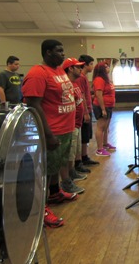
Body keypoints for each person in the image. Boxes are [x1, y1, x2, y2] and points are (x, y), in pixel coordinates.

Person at [22, 40, 78, 228]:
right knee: (45, 171)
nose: (63, 54)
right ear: (47, 53)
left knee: (57, 165)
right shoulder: (38, 73)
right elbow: (33, 105)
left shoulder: (59, 71)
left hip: (65, 129)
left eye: (63, 50)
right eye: (58, 51)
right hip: (51, 131)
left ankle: (55, 193)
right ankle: (41, 208)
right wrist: (48, 134)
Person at [61, 58, 87, 195]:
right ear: (70, 69)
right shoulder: (66, 84)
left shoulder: (75, 84)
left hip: (77, 123)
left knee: (74, 152)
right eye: (78, 67)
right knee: (68, 153)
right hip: (69, 125)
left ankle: (72, 173)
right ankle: (66, 182)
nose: (80, 69)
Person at [75, 54, 99, 169]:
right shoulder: (80, 77)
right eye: (91, 64)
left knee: (86, 135)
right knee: (82, 135)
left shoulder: (83, 77)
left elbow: (86, 92)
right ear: (85, 64)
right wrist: (85, 112)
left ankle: (84, 157)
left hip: (88, 108)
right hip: (84, 110)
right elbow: (81, 95)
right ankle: (79, 160)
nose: (92, 66)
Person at [92, 61, 116, 157]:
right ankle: (99, 149)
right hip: (102, 106)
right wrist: (103, 109)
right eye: (105, 66)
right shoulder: (99, 79)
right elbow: (98, 94)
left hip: (109, 106)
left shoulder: (106, 79)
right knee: (100, 127)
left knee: (106, 127)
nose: (108, 68)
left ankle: (105, 144)